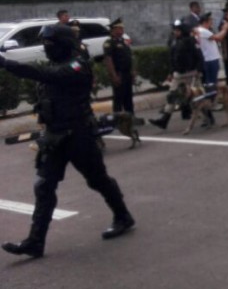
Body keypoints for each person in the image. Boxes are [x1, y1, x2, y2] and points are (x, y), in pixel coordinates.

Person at [0, 25, 135, 258]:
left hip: (78, 133)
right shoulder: (57, 63)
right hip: (54, 135)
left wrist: (5, 63)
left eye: (49, 44)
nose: (45, 48)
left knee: (97, 180)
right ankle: (35, 241)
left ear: (63, 43)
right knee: (44, 186)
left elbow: (44, 74)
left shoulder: (77, 65)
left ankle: (123, 216)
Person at [149, 20, 203, 129]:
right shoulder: (174, 42)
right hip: (179, 74)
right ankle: (164, 120)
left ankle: (208, 117)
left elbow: (199, 56)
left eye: (177, 30)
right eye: (175, 30)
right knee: (172, 95)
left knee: (196, 96)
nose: (175, 32)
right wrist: (171, 72)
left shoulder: (191, 41)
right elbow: (172, 59)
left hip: (191, 73)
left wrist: (199, 70)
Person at [103, 18, 135, 114]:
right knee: (118, 97)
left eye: (122, 28)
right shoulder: (109, 43)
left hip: (127, 73)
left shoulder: (124, 42)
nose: (121, 30)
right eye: (119, 28)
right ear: (113, 30)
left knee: (128, 97)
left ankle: (130, 116)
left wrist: (132, 71)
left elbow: (129, 57)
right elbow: (108, 60)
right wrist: (114, 75)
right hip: (118, 73)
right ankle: (117, 119)